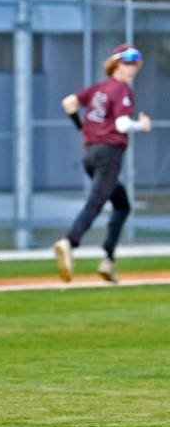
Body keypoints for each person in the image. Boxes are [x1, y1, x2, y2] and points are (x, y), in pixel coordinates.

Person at [54, 44, 152, 283]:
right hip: (108, 153)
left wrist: (81, 128)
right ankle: (70, 241)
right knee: (96, 202)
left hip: (90, 154)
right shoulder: (121, 90)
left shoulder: (99, 89)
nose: (131, 69)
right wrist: (142, 125)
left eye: (134, 65)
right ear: (115, 65)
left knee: (121, 204)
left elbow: (68, 103)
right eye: (127, 63)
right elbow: (121, 125)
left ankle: (108, 260)